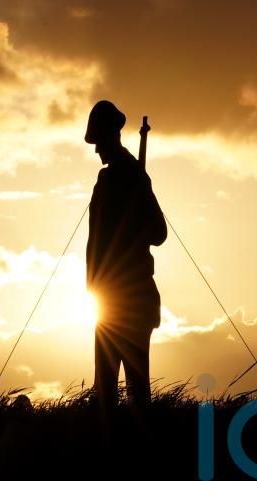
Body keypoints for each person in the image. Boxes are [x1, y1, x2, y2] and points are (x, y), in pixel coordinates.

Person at [85, 100, 167, 415]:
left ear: (111, 137)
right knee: (104, 392)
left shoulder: (134, 177)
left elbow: (158, 233)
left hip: (131, 300)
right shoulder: (107, 181)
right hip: (107, 301)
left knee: (135, 393)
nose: (95, 150)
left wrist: (132, 227)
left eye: (98, 142)